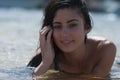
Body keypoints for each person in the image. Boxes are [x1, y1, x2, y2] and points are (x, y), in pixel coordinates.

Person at [27, 0, 116, 77]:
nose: (64, 34)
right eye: (57, 26)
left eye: (72, 25)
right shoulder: (45, 57)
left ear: (87, 28)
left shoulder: (104, 49)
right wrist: (45, 63)